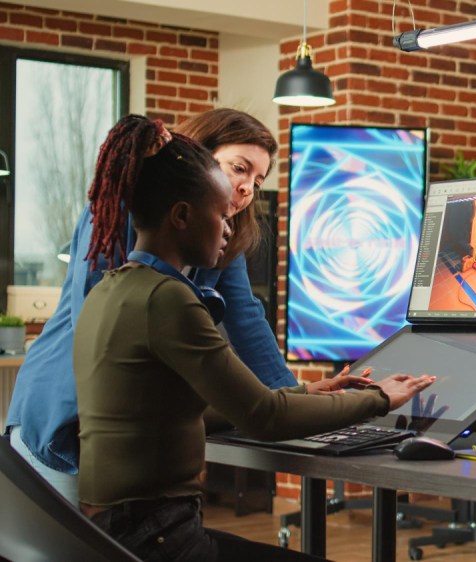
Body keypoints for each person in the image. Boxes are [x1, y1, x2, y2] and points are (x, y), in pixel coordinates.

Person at [73, 114, 436, 561]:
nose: (230, 225)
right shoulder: (168, 300)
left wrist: (306, 392)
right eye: (219, 212)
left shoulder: (113, 287)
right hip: (157, 536)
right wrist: (380, 398)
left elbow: (179, 414)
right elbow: (265, 416)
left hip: (117, 530)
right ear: (183, 215)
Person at [4, 108, 346, 506]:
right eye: (239, 168)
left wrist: (290, 400)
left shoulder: (221, 239)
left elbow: (247, 319)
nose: (248, 188)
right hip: (61, 413)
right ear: (198, 153)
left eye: (258, 180)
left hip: (131, 430)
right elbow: (95, 317)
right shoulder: (123, 211)